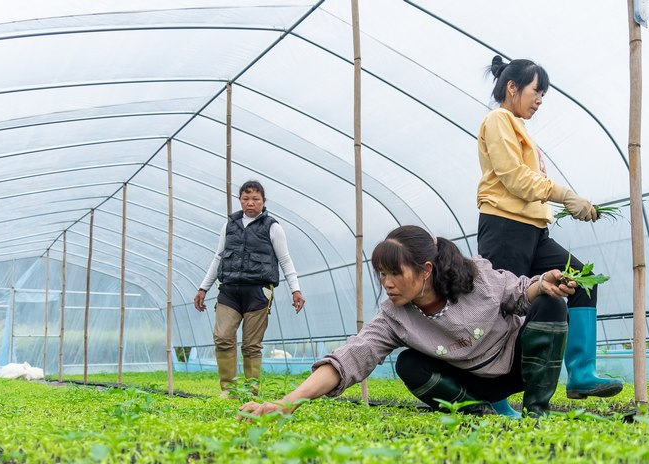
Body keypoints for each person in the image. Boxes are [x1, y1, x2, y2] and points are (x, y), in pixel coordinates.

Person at [238, 225, 576, 420]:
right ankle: (478, 415)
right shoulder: (394, 316)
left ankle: (536, 412)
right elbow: (351, 357)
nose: (387, 283)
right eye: (382, 274)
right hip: (473, 386)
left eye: (395, 273)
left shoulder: (476, 278)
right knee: (409, 364)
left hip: (515, 366)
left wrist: (540, 283)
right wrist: (285, 404)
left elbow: (519, 290)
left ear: (425, 269)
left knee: (550, 304)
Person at [476, 55, 622, 401]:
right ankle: (493, 397)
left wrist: (566, 202)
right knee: (503, 310)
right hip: (504, 227)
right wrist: (565, 194)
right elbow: (515, 179)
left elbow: (530, 181)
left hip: (534, 231)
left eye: (543, 94)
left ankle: (582, 373)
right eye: (536, 91)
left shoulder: (520, 128)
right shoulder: (498, 120)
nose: (540, 100)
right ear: (512, 88)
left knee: (581, 281)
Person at [194, 180, 305, 398]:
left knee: (251, 345)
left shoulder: (273, 227)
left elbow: (285, 260)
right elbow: (218, 257)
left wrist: (296, 290)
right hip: (229, 291)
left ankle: (250, 392)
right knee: (223, 337)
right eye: (246, 199)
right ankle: (228, 390)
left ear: (264, 202)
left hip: (258, 292)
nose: (250, 203)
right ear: (240, 200)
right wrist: (203, 288)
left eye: (255, 199)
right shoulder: (229, 226)